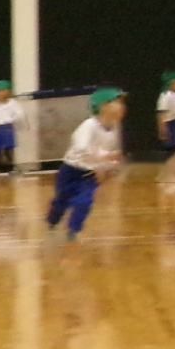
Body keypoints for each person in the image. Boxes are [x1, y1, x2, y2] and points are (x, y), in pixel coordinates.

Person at [47, 88, 127, 241]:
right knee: (62, 199)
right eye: (116, 102)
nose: (121, 106)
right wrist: (105, 157)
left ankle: (72, 231)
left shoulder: (114, 128)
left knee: (84, 202)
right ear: (102, 106)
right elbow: (82, 149)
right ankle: (52, 220)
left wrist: (105, 167)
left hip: (89, 174)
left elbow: (107, 155)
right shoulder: (89, 125)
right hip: (71, 170)